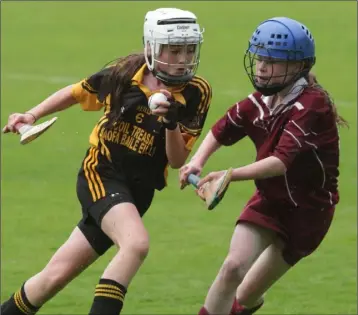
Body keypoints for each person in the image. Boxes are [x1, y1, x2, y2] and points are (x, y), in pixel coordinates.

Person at [1, 7, 211, 315]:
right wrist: (32, 114)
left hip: (138, 193)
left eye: (189, 50)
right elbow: (75, 93)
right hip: (101, 174)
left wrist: (171, 124)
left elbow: (177, 160)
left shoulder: (196, 92)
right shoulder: (124, 75)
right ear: (152, 47)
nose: (182, 59)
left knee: (53, 277)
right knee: (136, 244)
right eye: (173, 50)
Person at [180, 17, 347, 315]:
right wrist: (196, 162)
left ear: (298, 66)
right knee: (231, 268)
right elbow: (223, 128)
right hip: (269, 202)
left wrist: (230, 175)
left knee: (243, 300)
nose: (261, 67)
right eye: (259, 58)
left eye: (272, 61)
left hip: (308, 214)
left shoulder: (312, 105)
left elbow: (280, 163)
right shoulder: (262, 100)